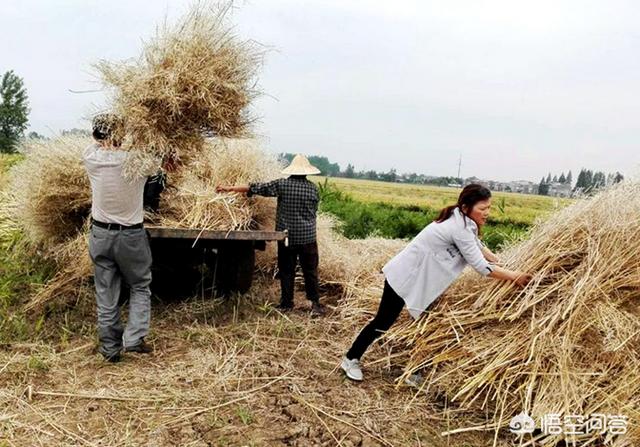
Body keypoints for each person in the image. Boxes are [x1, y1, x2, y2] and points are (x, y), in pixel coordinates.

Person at [340, 184, 533, 381]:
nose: (487, 213)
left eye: (489, 207)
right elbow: (482, 267)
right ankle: (350, 358)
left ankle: (414, 372)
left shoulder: (462, 220)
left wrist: (499, 260)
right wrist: (514, 276)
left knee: (427, 322)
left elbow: (477, 245)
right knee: (383, 321)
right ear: (466, 207)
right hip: (406, 275)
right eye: (483, 209)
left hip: (421, 279)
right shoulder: (459, 227)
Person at [84, 113, 156, 363]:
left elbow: (96, 144)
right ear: (120, 136)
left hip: (101, 233)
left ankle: (110, 349)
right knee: (139, 285)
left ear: (96, 136)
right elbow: (161, 160)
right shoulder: (138, 162)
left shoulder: (91, 159)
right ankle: (134, 339)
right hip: (131, 236)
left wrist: (105, 138)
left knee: (106, 292)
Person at [216, 154, 326, 316]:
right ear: (307, 172)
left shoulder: (282, 185)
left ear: (292, 171)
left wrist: (229, 188)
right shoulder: (313, 189)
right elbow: (313, 212)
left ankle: (287, 303)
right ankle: (315, 304)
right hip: (308, 238)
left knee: (287, 270)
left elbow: (255, 188)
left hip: (287, 237)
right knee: (310, 270)